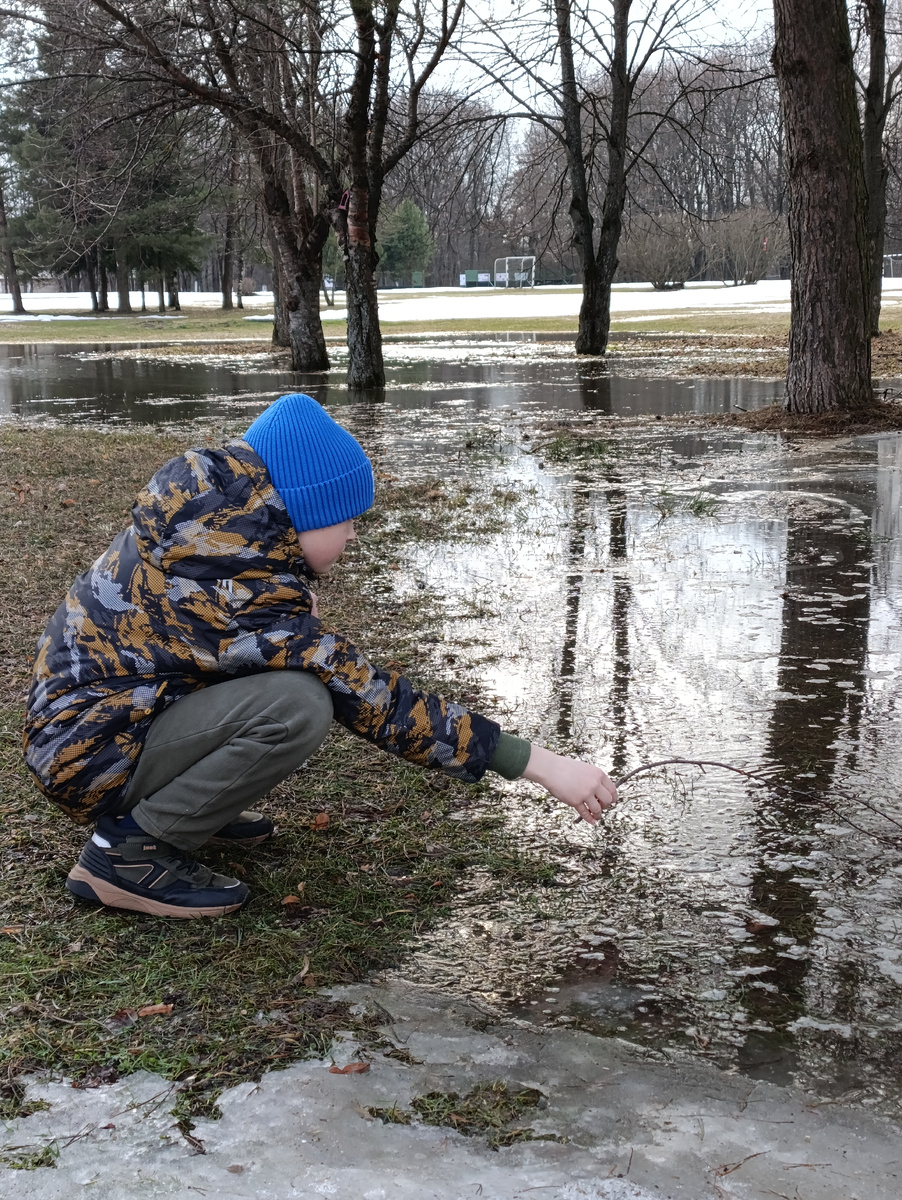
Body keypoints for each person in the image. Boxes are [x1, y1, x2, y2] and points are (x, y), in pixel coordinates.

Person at [22, 394, 617, 918]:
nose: (353, 536)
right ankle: (128, 856)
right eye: (346, 520)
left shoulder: (211, 534)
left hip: (95, 731)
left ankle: (184, 804)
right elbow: (378, 702)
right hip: (94, 756)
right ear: (298, 512)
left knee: (279, 686)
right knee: (299, 704)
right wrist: (538, 765)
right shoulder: (240, 588)